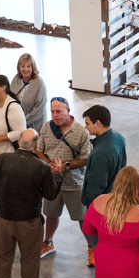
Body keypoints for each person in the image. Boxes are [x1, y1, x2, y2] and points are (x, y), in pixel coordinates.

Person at [0, 129, 59, 278]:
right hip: (30, 222)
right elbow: (51, 194)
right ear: (36, 145)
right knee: (30, 259)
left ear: (18, 141)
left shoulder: (1, 160)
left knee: (3, 257)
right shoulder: (41, 167)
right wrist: (57, 176)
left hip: (4, 219)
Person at [36, 97, 92, 258]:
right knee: (51, 213)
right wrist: (48, 164)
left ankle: (92, 248)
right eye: (52, 111)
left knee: (82, 217)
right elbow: (38, 150)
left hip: (74, 183)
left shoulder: (81, 132)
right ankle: (48, 243)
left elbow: (86, 158)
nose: (55, 115)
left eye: (59, 111)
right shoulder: (47, 128)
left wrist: (65, 166)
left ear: (68, 110)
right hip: (52, 181)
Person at [81, 105, 127, 269]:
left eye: (87, 123)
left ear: (98, 123)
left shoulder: (100, 153)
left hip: (101, 207)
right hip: (115, 199)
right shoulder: (118, 138)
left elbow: (95, 186)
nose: (85, 127)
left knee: (100, 248)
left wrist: (88, 203)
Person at [10, 53, 48, 130]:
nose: (25, 69)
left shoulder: (39, 83)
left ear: (33, 68)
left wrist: (23, 120)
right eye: (23, 66)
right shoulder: (16, 79)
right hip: (18, 123)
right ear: (19, 67)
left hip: (35, 125)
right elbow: (10, 98)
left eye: (28, 66)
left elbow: (40, 108)